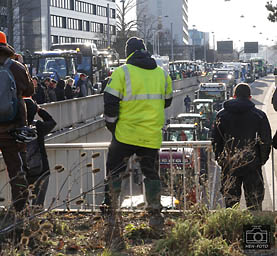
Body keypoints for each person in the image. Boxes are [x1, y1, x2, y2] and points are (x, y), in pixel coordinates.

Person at [103, 36, 173, 248]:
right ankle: (154, 214)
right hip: (150, 136)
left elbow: (110, 101)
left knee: (114, 171)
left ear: (129, 52)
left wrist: (112, 125)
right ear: (145, 50)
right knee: (151, 173)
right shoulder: (161, 73)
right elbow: (168, 100)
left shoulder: (122, 72)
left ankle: (112, 212)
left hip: (125, 135)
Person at [212, 83, 271, 211]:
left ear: (234, 96)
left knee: (231, 205)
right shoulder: (259, 115)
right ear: (250, 97)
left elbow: (216, 141)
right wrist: (261, 160)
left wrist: (221, 160)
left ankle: (232, 229)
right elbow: (265, 141)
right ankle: (253, 229)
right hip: (252, 164)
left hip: (230, 164)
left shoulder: (221, 115)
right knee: (254, 205)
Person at [0, 31, 34, 212]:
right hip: (13, 129)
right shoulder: (16, 67)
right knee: (16, 169)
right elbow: (29, 91)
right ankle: (19, 209)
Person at [24, 98, 56, 208]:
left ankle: (22, 222)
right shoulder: (38, 126)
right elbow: (52, 122)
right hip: (42, 170)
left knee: (22, 204)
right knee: (38, 204)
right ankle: (36, 222)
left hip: (23, 172)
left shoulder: (15, 129)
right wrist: (39, 110)